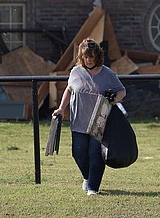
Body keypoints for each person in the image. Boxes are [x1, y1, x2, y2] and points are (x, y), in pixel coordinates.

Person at [52, 38, 126, 195]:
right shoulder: (75, 72)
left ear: (97, 56)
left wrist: (115, 99)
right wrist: (60, 109)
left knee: (95, 154)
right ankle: (87, 177)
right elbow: (69, 90)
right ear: (81, 57)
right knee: (78, 152)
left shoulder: (107, 73)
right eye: (86, 57)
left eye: (92, 57)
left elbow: (122, 91)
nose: (89, 60)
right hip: (79, 119)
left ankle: (93, 188)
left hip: (99, 122)